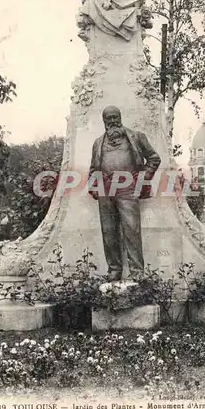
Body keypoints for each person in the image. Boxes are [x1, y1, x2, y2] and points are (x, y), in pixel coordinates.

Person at [88, 106, 161, 281]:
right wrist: (93, 186)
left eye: (115, 117)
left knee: (132, 230)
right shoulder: (98, 142)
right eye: (108, 119)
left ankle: (137, 273)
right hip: (105, 189)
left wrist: (142, 179)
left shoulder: (136, 136)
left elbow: (154, 158)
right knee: (109, 231)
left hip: (128, 187)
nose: (112, 121)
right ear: (104, 122)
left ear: (120, 117)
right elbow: (93, 169)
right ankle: (114, 270)